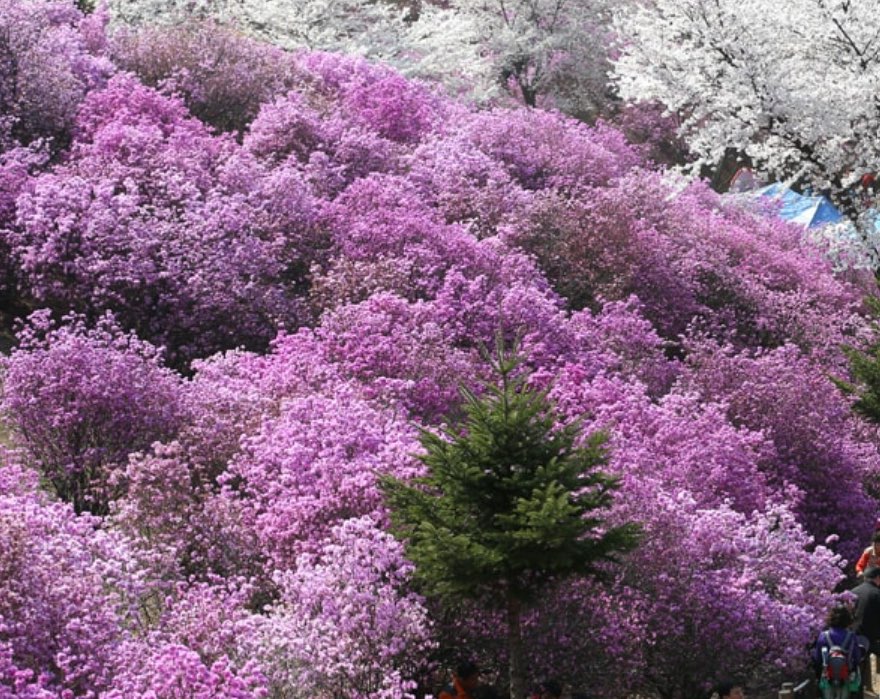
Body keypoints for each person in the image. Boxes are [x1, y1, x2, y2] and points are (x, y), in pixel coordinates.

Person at [810, 606, 868, 699]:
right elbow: (857, 657)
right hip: (846, 675)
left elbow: (817, 659)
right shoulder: (851, 636)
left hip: (828, 676)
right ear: (847, 620)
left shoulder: (823, 636)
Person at [852, 567, 880, 696]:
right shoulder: (877, 593)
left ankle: (858, 694)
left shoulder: (853, 592)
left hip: (855, 637)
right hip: (874, 637)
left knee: (858, 670)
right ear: (877, 578)